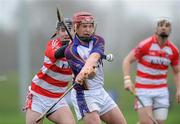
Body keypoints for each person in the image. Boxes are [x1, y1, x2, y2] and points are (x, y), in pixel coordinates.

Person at [65, 11, 127, 124]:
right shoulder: (70, 51)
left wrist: (86, 69)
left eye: (90, 26)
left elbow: (94, 57)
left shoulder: (98, 40)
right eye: (84, 26)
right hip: (84, 95)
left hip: (100, 91)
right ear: (75, 27)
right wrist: (86, 73)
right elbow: (91, 75)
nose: (88, 29)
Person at [122, 18, 180, 124]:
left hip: (161, 91)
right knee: (147, 122)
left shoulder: (173, 50)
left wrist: (179, 89)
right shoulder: (145, 45)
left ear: (170, 30)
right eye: (161, 25)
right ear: (156, 29)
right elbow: (127, 60)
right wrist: (127, 79)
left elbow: (177, 71)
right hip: (143, 90)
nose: (163, 27)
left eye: (167, 26)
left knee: (159, 123)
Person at [23, 18, 76, 124]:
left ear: (74, 31)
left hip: (58, 98)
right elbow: (58, 54)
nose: (66, 33)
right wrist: (71, 46)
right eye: (62, 30)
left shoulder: (78, 49)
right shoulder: (53, 44)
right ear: (57, 32)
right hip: (39, 95)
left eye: (69, 29)